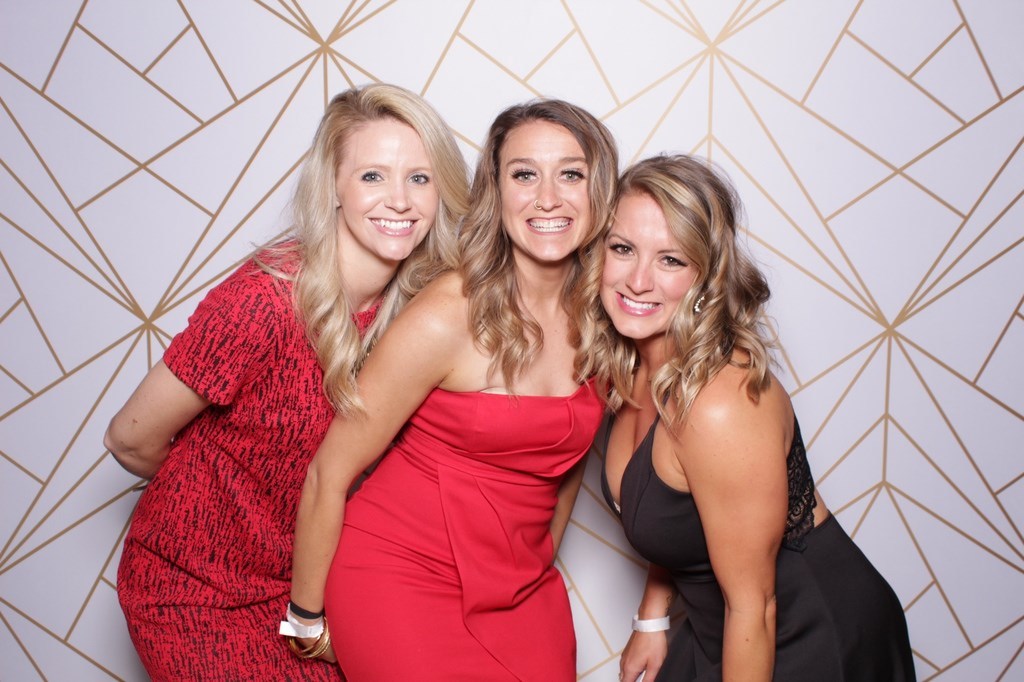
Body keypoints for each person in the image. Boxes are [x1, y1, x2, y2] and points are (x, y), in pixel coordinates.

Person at [104, 83, 469, 681]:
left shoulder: (418, 314)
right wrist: (217, 505)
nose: (400, 200)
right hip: (191, 592)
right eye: (373, 176)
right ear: (333, 187)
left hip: (304, 588)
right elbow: (129, 440)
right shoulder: (263, 302)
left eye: (420, 178)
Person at [284, 99, 619, 680]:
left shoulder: (605, 320)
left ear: (601, 191)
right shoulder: (449, 312)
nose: (547, 198)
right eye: (524, 175)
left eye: (571, 174)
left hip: (522, 588)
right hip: (398, 576)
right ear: (497, 191)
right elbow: (329, 473)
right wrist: (305, 621)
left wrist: (536, 564)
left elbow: (564, 468)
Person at [594, 154, 916, 681]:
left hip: (804, 634)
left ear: (707, 276)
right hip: (721, 627)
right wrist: (651, 618)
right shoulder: (629, 367)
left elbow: (754, 605)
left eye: (671, 259)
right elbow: (675, 516)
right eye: (622, 248)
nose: (637, 280)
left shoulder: (719, 405)